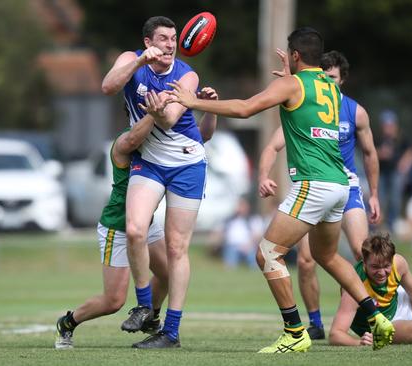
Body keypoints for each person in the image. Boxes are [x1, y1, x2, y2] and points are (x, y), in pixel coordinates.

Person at [169, 27, 394, 353]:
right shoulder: (330, 89)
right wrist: (291, 79)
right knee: (327, 256)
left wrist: (192, 101)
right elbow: (304, 101)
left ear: (295, 55)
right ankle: (376, 316)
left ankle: (294, 331)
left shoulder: (292, 84)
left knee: (267, 254)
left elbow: (246, 107)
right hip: (340, 186)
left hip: (313, 184)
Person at [54, 87, 219, 350]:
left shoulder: (164, 140)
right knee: (114, 301)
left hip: (146, 226)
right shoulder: (124, 141)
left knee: (166, 274)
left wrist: (207, 108)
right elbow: (133, 140)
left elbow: (200, 138)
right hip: (117, 226)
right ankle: (68, 322)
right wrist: (158, 111)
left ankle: (151, 317)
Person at [101, 16, 215, 349]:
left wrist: (157, 108)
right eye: (163, 39)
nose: (170, 44)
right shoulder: (130, 60)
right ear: (149, 42)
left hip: (187, 163)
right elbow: (108, 87)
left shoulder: (186, 75)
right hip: (149, 162)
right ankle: (143, 306)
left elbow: (168, 120)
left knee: (177, 248)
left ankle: (172, 332)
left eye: (174, 38)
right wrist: (139, 61)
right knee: (135, 228)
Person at [257, 50, 380, 340]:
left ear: (343, 80)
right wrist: (263, 176)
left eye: (333, 78)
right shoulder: (307, 105)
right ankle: (316, 323)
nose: (327, 82)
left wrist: (374, 193)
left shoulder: (355, 111)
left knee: (362, 251)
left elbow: (370, 153)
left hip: (345, 186)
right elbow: (273, 145)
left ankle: (360, 319)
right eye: (323, 76)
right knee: (308, 259)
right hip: (318, 186)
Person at [376, 110, 412, 231]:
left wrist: (405, 163)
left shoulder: (401, 137)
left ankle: (392, 224)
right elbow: (370, 152)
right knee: (381, 198)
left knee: (395, 198)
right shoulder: (378, 138)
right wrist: (380, 154)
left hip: (396, 172)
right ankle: (379, 224)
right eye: (386, 125)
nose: (388, 128)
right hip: (381, 172)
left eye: (390, 125)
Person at [209, 197, 264, 269]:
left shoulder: (253, 219)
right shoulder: (229, 219)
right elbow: (218, 232)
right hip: (231, 246)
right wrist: (215, 241)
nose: (240, 208)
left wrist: (249, 245)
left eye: (243, 206)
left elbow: (258, 235)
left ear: (248, 207)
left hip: (249, 246)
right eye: (239, 206)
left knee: (253, 259)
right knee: (230, 263)